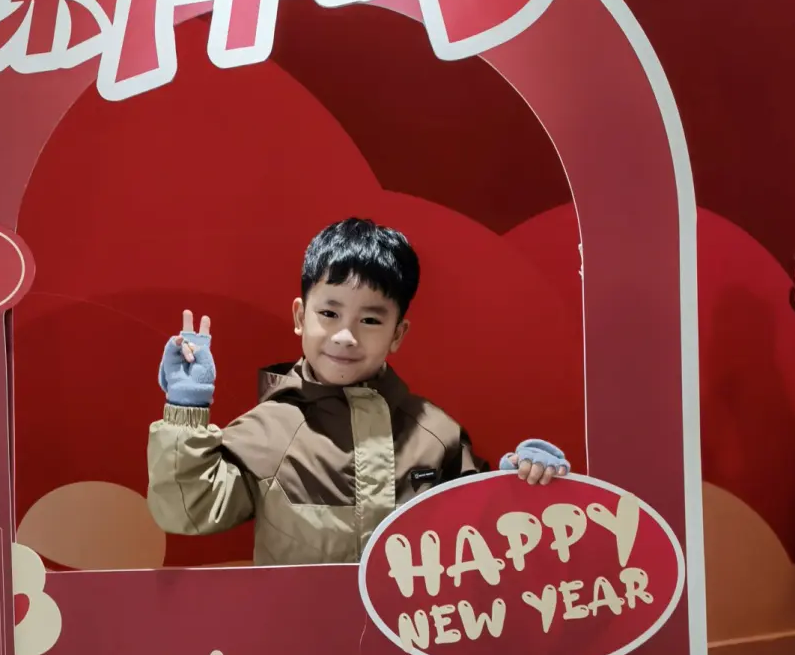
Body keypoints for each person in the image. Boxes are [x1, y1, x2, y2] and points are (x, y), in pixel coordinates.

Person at [147, 218, 568, 567]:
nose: (345, 336)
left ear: (397, 333)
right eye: (329, 313)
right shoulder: (268, 428)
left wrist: (522, 483)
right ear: (300, 316)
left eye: (370, 320)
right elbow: (186, 512)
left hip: (407, 639)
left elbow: (483, 534)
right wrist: (186, 407)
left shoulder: (436, 433)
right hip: (299, 638)